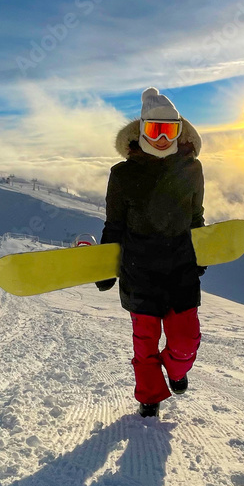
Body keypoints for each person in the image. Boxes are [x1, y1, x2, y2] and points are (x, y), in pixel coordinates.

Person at [96, 87, 206, 417]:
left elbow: (196, 215)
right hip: (138, 270)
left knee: (186, 340)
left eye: (168, 130)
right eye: (154, 129)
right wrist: (105, 266)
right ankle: (149, 394)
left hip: (181, 268)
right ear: (142, 129)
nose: (161, 138)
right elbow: (114, 222)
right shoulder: (123, 173)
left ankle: (176, 371)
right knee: (144, 344)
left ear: (179, 131)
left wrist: (200, 252)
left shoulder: (191, 169)